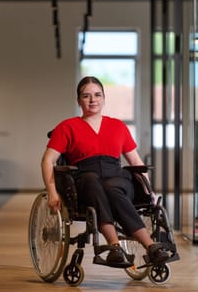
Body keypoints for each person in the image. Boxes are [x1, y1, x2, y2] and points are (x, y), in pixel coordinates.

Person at [40, 76, 169, 267]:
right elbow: (47, 161)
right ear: (79, 100)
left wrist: (149, 190)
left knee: (112, 186)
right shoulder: (67, 127)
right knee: (94, 181)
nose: (93, 100)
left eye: (97, 95)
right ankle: (114, 246)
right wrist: (52, 192)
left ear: (104, 98)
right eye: (86, 96)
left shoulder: (118, 126)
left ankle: (150, 246)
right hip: (84, 177)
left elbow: (135, 161)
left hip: (116, 175)